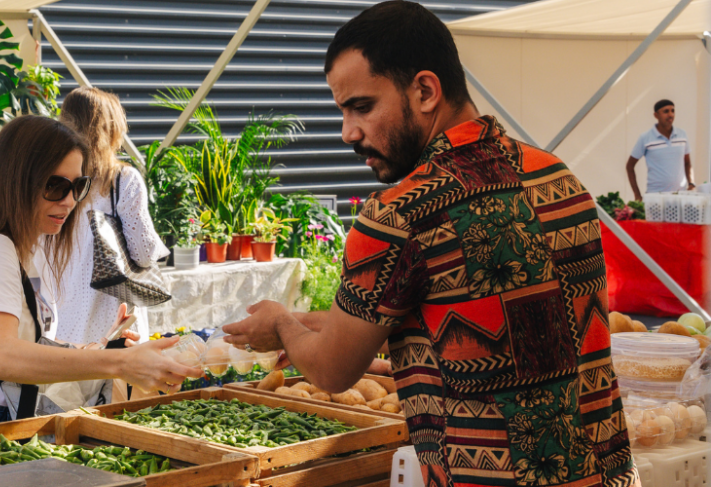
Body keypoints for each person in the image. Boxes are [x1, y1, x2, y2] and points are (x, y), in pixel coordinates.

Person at [224, 3, 637, 486]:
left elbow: (333, 371)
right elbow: (497, 312)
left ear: (424, 90)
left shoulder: (400, 215)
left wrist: (282, 325)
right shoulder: (557, 175)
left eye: (361, 106)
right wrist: (298, 324)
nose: (347, 133)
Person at [0, 115, 201, 426]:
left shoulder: (26, 247)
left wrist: (99, 347)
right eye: (56, 186)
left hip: (3, 419)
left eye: (79, 186)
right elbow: (0, 357)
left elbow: (22, 350)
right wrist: (118, 362)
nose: (70, 200)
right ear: (17, 181)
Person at [39, 87, 169, 344]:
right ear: (110, 129)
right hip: (114, 328)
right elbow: (143, 254)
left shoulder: (50, 181)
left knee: (65, 385)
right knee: (117, 384)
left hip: (58, 328)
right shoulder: (122, 180)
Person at [627, 99, 693, 201]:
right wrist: (637, 195)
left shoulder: (682, 135)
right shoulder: (645, 138)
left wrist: (691, 183)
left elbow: (687, 163)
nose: (670, 114)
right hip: (655, 198)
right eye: (666, 111)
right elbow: (630, 166)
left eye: (672, 111)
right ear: (656, 115)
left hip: (680, 197)